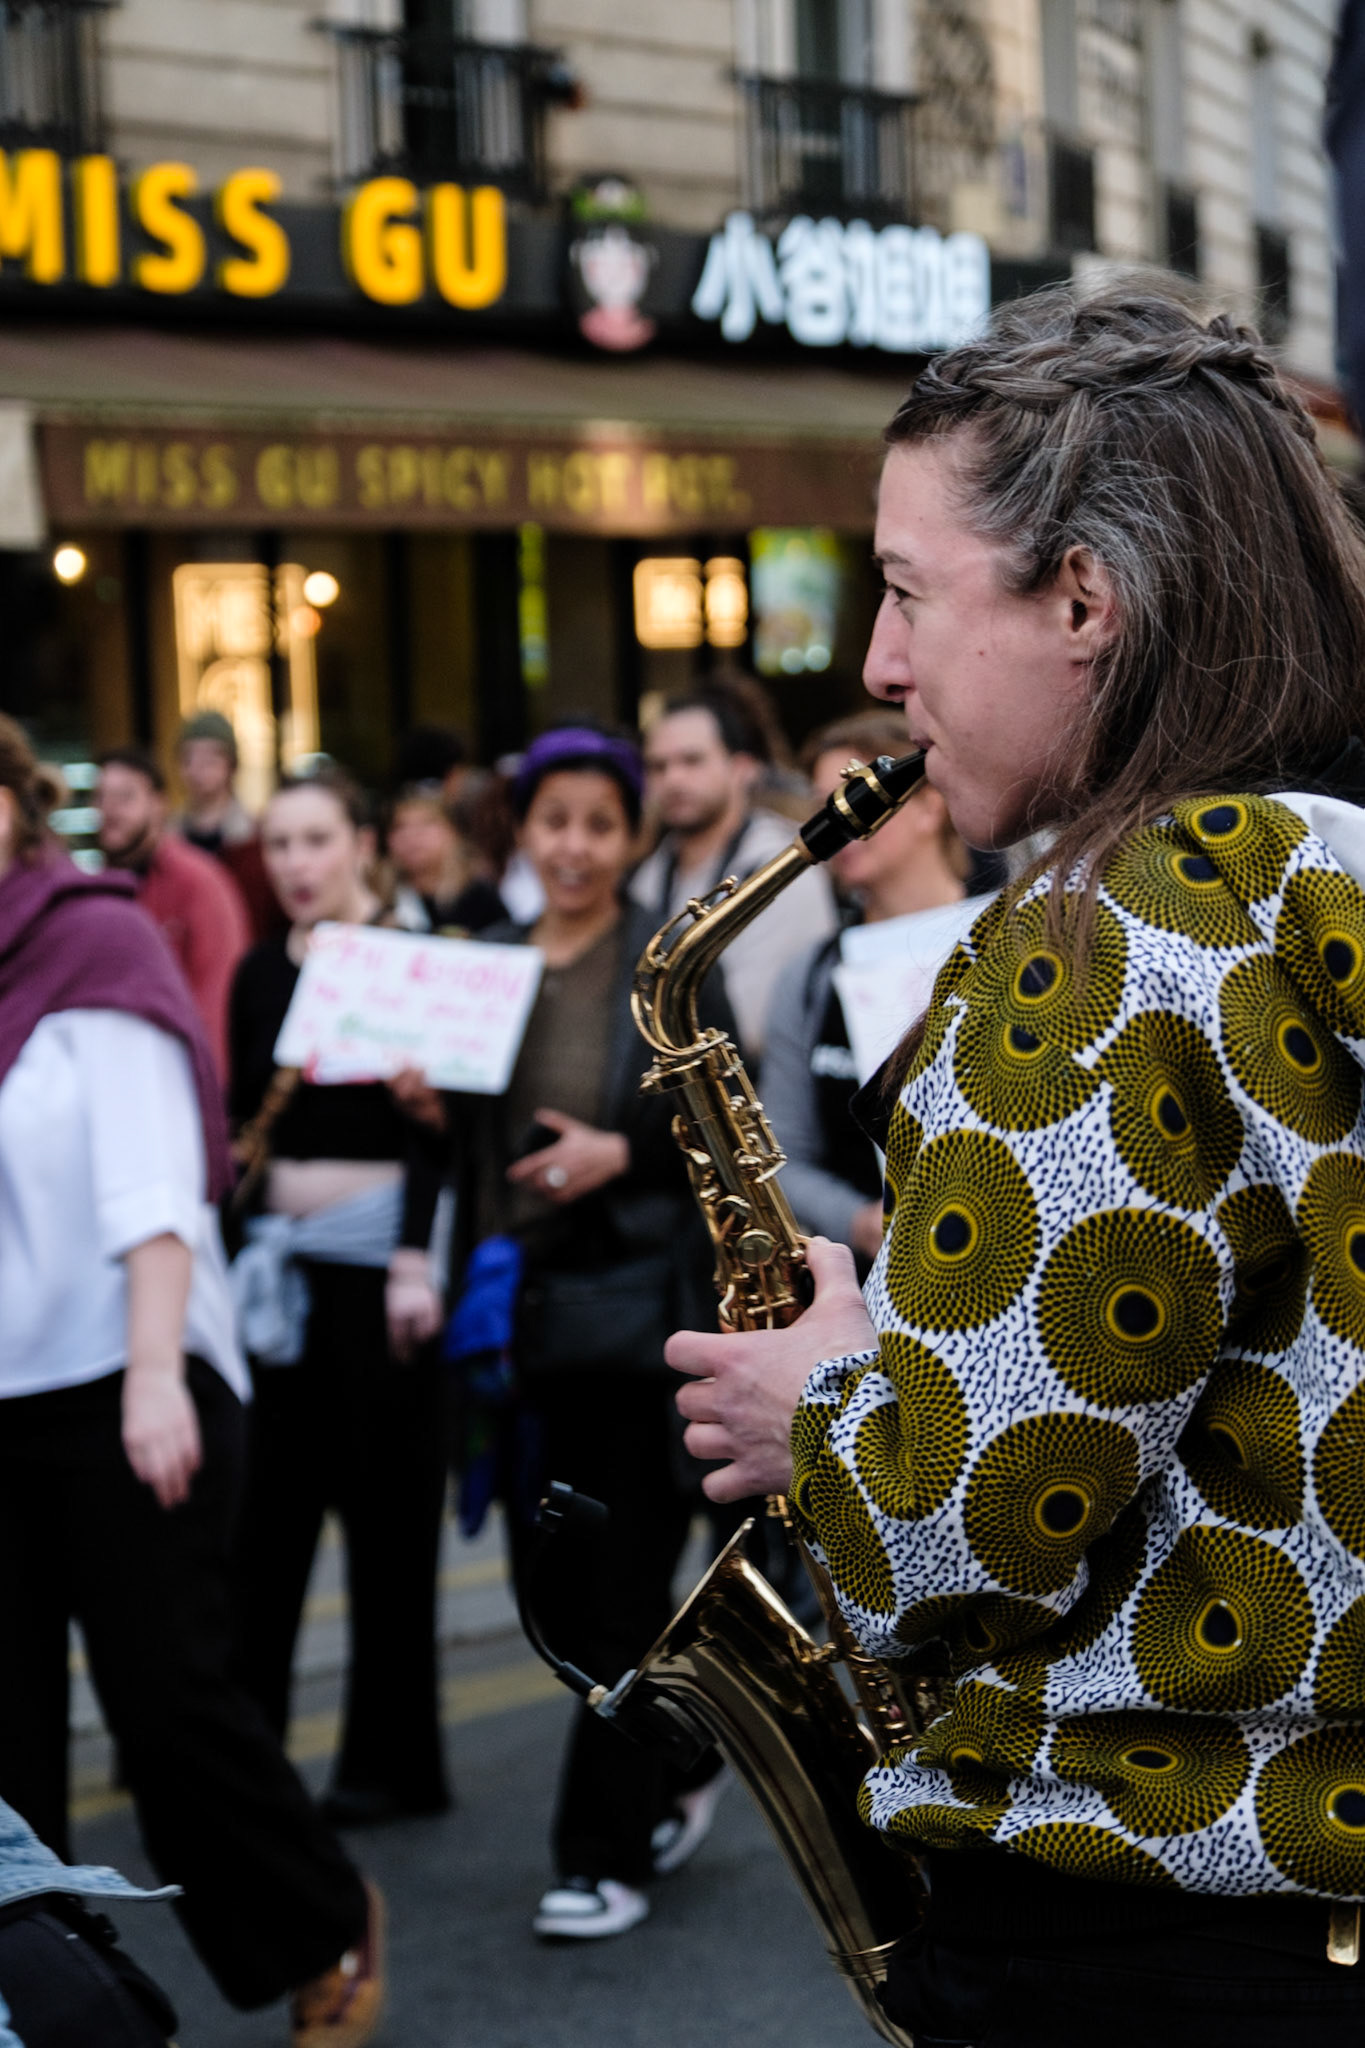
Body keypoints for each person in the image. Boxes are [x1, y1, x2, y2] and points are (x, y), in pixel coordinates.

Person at [665, 283, 1365, 2046]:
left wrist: (816, 1397)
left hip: (1149, 1942)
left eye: (907, 589)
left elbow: (953, 1534)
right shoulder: (1330, 864)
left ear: (1082, 596)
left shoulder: (1108, 934)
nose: (882, 666)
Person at [0, 716, 384, 2048]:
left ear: (18, 808)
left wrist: (156, 1374)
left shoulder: (89, 940)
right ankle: (45, 2000)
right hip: (5, 1398)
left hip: (126, 1378)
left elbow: (157, 1185)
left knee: (167, 1715)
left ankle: (322, 1915)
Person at [444, 724, 734, 1941]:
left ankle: (598, 1853)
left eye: (598, 823)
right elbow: (460, 1150)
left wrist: (624, 1151)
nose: (573, 844)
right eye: (552, 819)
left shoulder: (664, 969)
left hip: (635, 1318)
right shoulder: (486, 960)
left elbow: (725, 1144)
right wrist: (430, 1099)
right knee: (549, 1596)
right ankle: (676, 1759)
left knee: (616, 1590)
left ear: (630, 838)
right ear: (523, 830)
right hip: (517, 1325)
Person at [228, 768, 452, 1830]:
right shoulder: (254, 972)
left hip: (386, 1282)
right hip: (285, 1276)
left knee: (388, 1527)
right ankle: (244, 1752)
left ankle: (395, 1760)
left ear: (362, 842)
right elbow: (243, 1132)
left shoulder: (418, 959)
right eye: (278, 845)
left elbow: (444, 1140)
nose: (297, 864)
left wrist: (415, 1255)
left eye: (316, 839)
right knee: (265, 1524)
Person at [763, 709, 972, 1272]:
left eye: (857, 797)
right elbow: (783, 1155)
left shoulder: (1011, 938)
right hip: (860, 1294)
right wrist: (859, 1219)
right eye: (821, 803)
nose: (837, 821)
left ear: (930, 806)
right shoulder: (809, 976)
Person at [631, 682, 836, 1058]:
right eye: (658, 766)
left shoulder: (785, 868)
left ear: (742, 768)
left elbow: (750, 1029)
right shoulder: (651, 872)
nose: (673, 779)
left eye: (692, 761)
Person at [97, 744, 250, 1078]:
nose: (109, 810)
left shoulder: (198, 880)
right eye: (101, 797)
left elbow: (218, 997)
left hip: (182, 1074)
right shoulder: (98, 888)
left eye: (125, 798)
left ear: (158, 805)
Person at [171, 709, 281, 941]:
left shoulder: (255, 836)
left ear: (231, 764)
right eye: (189, 759)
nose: (198, 769)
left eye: (210, 759)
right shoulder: (166, 838)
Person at [387, 780, 505, 935]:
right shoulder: (383, 897)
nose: (411, 836)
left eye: (425, 824)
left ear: (452, 833)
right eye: (400, 827)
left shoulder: (479, 897)